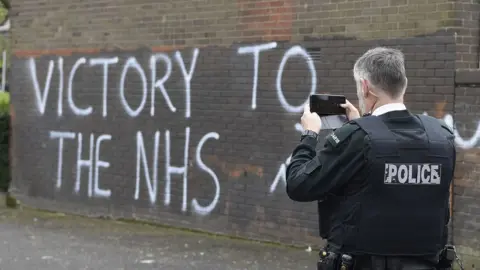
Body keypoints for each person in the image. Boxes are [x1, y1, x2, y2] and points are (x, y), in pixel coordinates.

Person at [286, 47, 457, 270]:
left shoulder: (358, 137)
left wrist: (309, 134)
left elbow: (298, 184)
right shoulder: (441, 136)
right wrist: (363, 124)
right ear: (403, 83)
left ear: (365, 87)